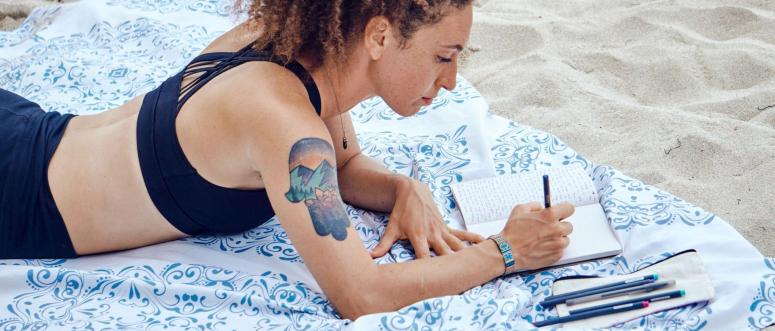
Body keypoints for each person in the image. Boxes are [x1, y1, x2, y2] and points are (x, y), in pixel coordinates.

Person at [0, 0, 574, 319]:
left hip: (30, 131)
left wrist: (404, 189)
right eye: (443, 57)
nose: (450, 82)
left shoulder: (299, 52)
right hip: (15, 193)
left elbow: (344, 170)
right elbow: (361, 295)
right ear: (377, 36)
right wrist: (505, 252)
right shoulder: (283, 123)